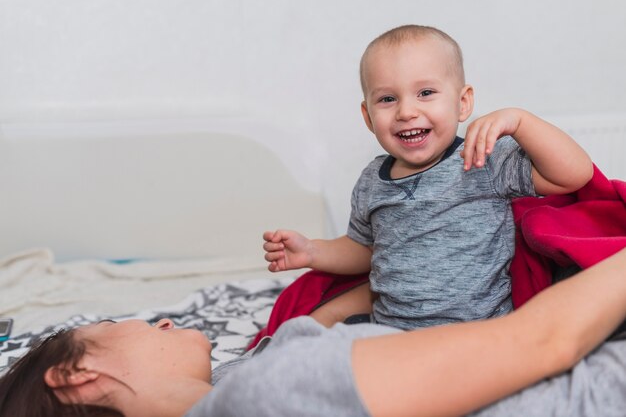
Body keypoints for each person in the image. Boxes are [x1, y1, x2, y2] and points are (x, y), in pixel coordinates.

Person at [1, 248, 626, 416]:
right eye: (117, 320)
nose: (161, 318)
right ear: (75, 376)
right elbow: (546, 341)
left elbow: (320, 319)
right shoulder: (265, 396)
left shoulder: (249, 377)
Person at [263, 25, 593, 330]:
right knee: (310, 338)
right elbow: (365, 249)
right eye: (387, 99)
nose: (406, 111)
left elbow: (574, 175)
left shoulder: (484, 159)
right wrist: (312, 251)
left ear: (462, 103)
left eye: (425, 93)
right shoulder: (372, 180)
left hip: (477, 335)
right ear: (368, 116)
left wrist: (521, 121)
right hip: (389, 333)